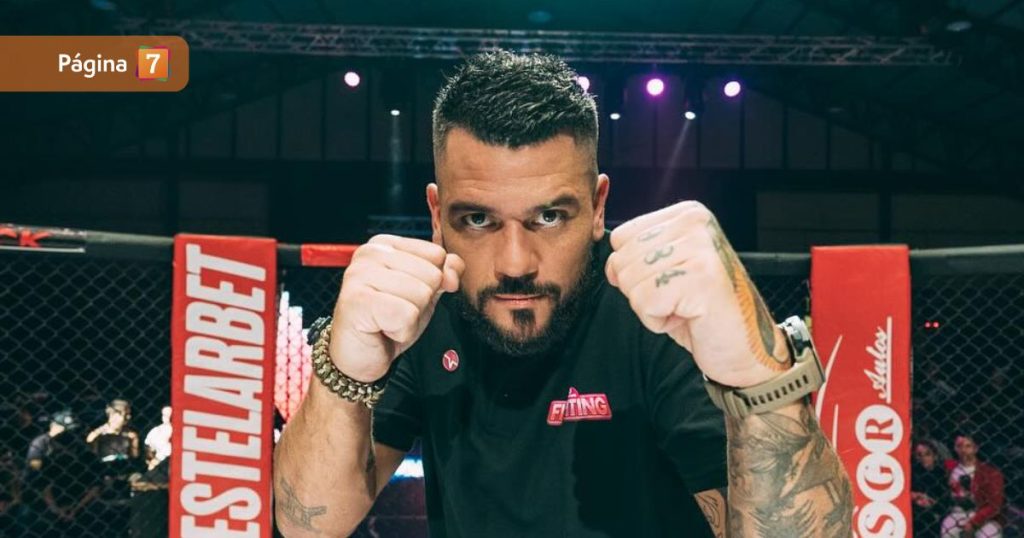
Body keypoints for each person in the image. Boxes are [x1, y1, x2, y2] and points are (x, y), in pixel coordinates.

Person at [274, 50, 852, 537]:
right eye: (477, 219)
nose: (515, 263)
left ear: (598, 207)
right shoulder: (429, 307)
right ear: (436, 213)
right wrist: (341, 372)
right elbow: (309, 524)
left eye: (549, 217)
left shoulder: (656, 312)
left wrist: (760, 380)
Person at [941, 433, 1005, 538]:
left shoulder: (990, 473)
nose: (963, 450)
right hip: (957, 513)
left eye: (968, 446)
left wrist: (974, 522)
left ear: (975, 448)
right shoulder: (950, 467)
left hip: (983, 514)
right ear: (955, 448)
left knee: (988, 534)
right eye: (959, 446)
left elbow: (994, 505)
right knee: (947, 527)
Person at [912, 440, 949, 536]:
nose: (923, 458)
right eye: (919, 455)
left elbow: (945, 500)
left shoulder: (941, 473)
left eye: (927, 454)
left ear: (934, 456)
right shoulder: (913, 473)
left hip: (936, 510)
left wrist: (931, 501)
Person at [143, 405, 171, 471]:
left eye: (171, 415)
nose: (169, 418)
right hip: (159, 463)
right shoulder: (156, 431)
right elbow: (148, 449)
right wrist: (153, 460)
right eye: (165, 415)